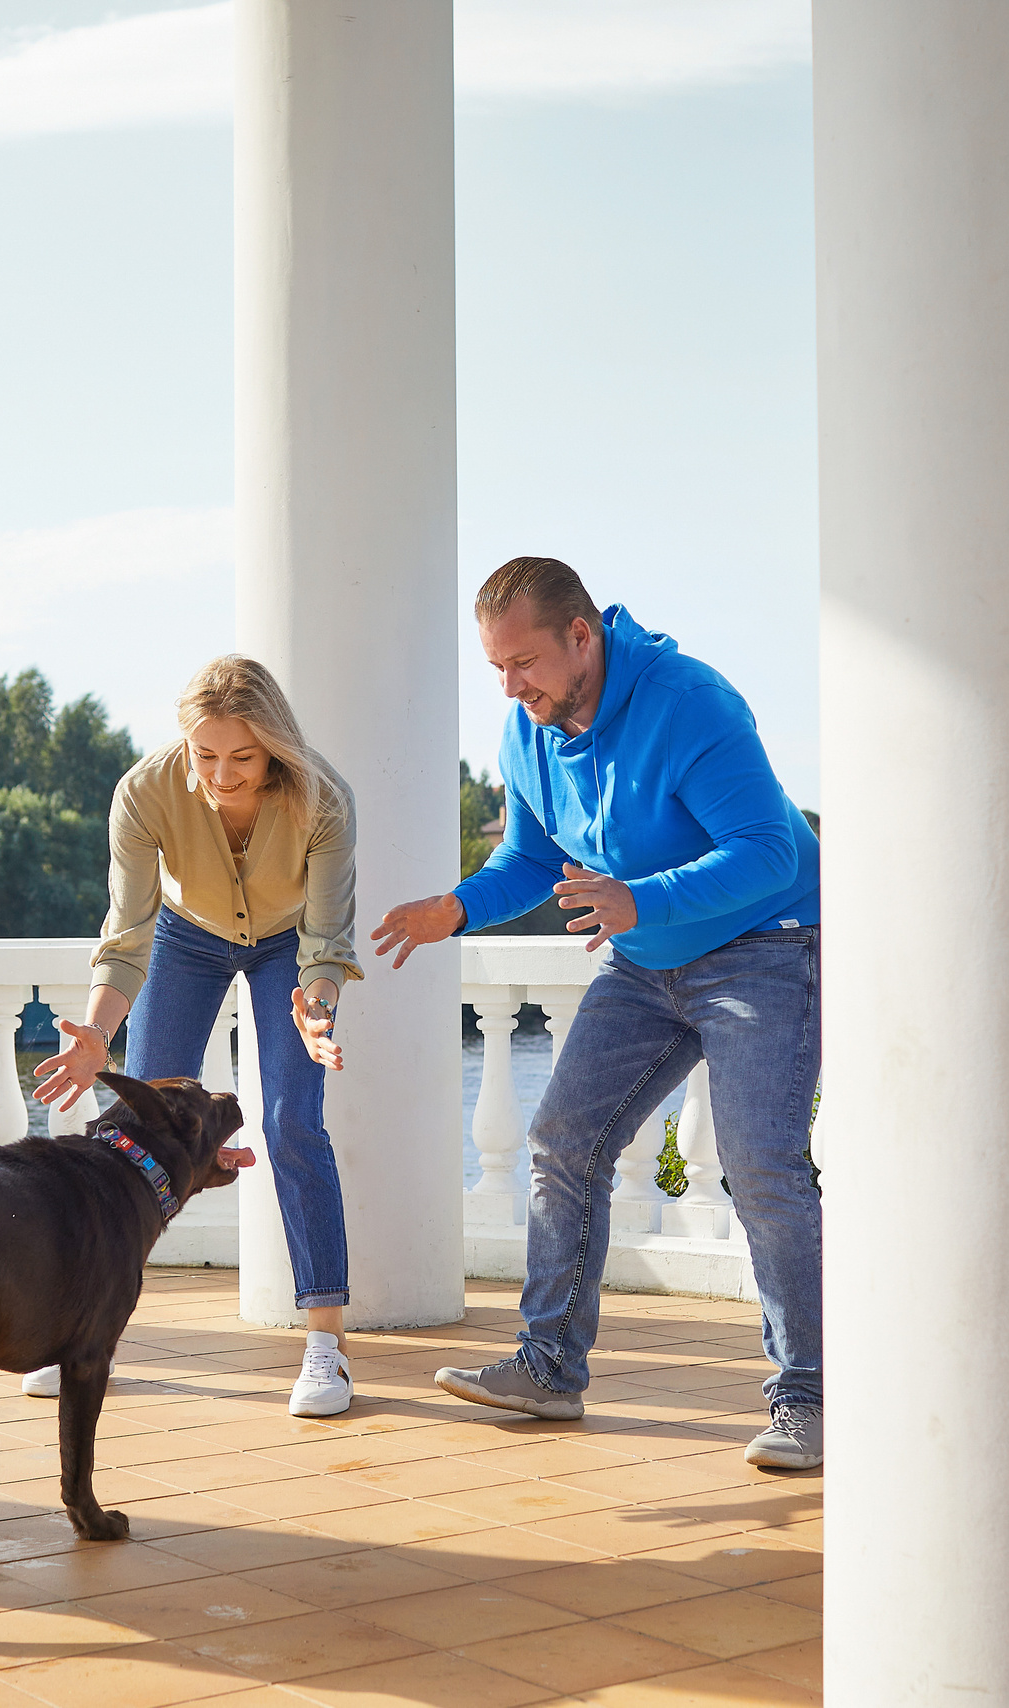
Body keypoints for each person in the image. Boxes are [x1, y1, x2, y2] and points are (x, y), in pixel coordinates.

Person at [372, 556, 824, 1469]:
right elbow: (530, 861)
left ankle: (810, 1398)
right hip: (647, 960)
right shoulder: (528, 732)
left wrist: (641, 899)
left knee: (760, 1166)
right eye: (497, 666)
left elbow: (772, 852)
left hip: (766, 945)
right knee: (561, 1140)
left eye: (525, 662)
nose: (511, 685)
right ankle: (549, 1368)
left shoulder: (691, 702)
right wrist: (453, 910)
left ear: (583, 636)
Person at [36, 655, 362, 1417]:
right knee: (138, 1134)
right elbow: (128, 933)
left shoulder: (325, 802)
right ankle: (81, 1332)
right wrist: (98, 1034)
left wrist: (314, 1009)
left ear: (274, 746)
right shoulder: (144, 793)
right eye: (205, 754)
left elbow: (325, 940)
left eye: (242, 757)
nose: (221, 774)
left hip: (289, 945)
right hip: (187, 935)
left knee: (290, 1122)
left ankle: (326, 1350)